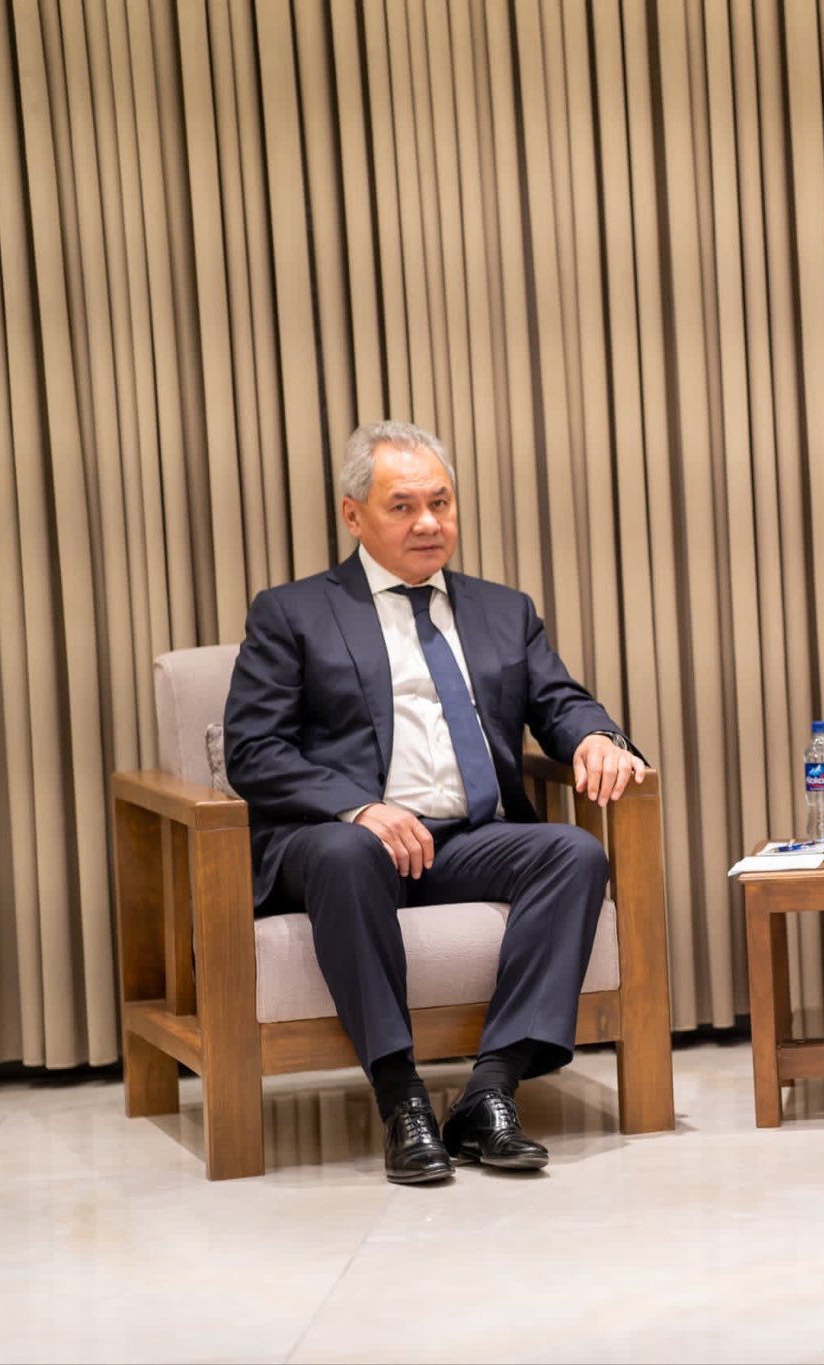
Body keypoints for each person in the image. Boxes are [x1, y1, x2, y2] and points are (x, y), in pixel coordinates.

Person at [224, 421, 646, 1184]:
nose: (428, 522)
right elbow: (254, 750)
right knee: (349, 852)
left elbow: (560, 700)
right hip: (342, 846)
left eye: (441, 503)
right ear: (354, 514)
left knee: (574, 851)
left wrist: (597, 737)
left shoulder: (502, 610)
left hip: (465, 840)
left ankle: (490, 1091)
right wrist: (358, 807)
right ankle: (402, 1099)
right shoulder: (293, 612)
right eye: (403, 505)